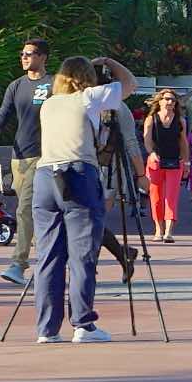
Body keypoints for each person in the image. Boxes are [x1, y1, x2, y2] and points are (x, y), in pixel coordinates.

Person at [33, 54, 136, 344]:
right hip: (77, 172)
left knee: (49, 257)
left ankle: (47, 329)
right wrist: (109, 62)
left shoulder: (49, 103)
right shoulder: (89, 97)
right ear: (87, 78)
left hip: (45, 175)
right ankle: (83, 324)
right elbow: (130, 84)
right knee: (82, 253)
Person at [0, 39, 51, 285]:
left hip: (44, 156)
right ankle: (48, 263)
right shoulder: (16, 86)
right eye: (22, 53)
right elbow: (1, 119)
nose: (24, 57)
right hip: (19, 158)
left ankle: (18, 264)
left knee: (26, 209)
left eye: (30, 53)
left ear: (43, 57)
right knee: (34, 212)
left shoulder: (53, 84)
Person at [139, 87, 187, 242]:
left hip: (174, 161)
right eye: (166, 99)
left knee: (171, 196)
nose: (170, 102)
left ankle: (169, 231)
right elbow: (147, 140)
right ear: (159, 101)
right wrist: (152, 153)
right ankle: (158, 229)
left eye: (172, 100)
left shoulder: (180, 121)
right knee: (156, 196)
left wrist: (186, 162)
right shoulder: (151, 119)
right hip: (156, 161)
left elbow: (183, 142)